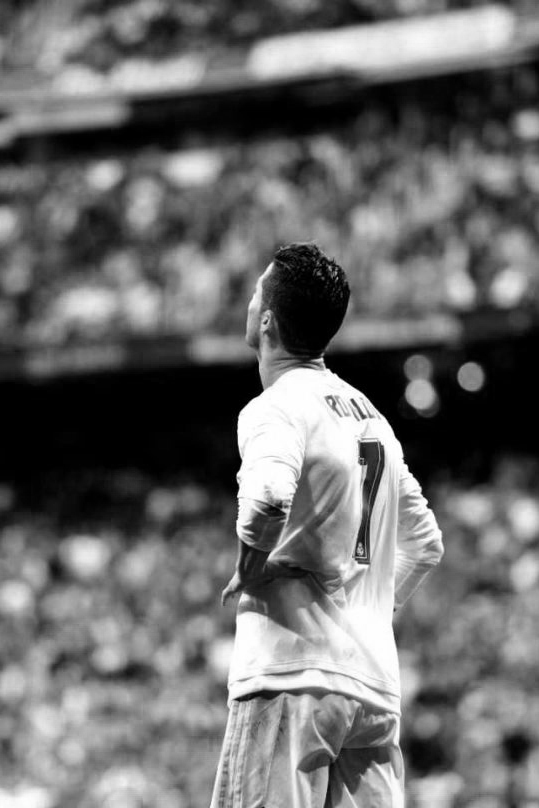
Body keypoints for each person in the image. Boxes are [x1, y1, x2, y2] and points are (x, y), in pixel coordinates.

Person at [212, 242, 445, 808]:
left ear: (266, 319)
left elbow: (266, 500)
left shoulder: (275, 406)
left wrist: (248, 567)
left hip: (292, 676)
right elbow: (427, 543)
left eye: (253, 292)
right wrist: (365, 612)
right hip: (373, 689)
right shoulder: (372, 419)